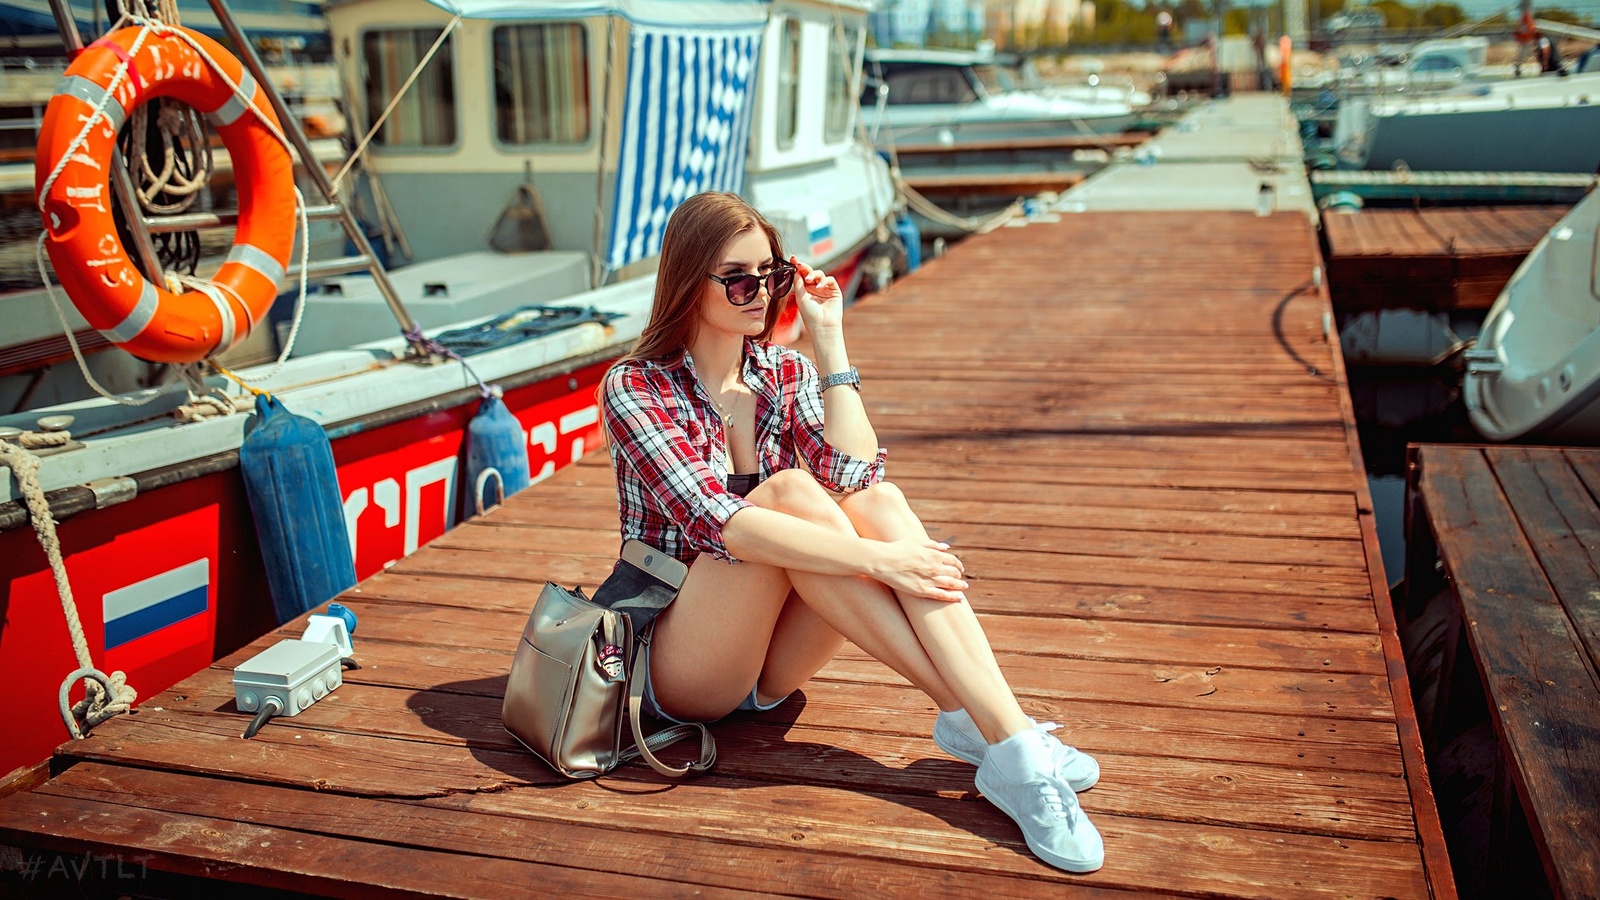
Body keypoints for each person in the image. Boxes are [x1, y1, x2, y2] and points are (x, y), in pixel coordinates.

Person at [598, 192, 1104, 874]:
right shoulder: (636, 388)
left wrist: (829, 340)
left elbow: (854, 472)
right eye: (740, 279)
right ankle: (1004, 737)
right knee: (789, 493)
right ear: (690, 281)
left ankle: (998, 736)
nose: (762, 293)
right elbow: (719, 522)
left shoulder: (783, 371)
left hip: (772, 667)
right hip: (682, 666)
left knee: (882, 502)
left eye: (772, 275)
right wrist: (883, 563)